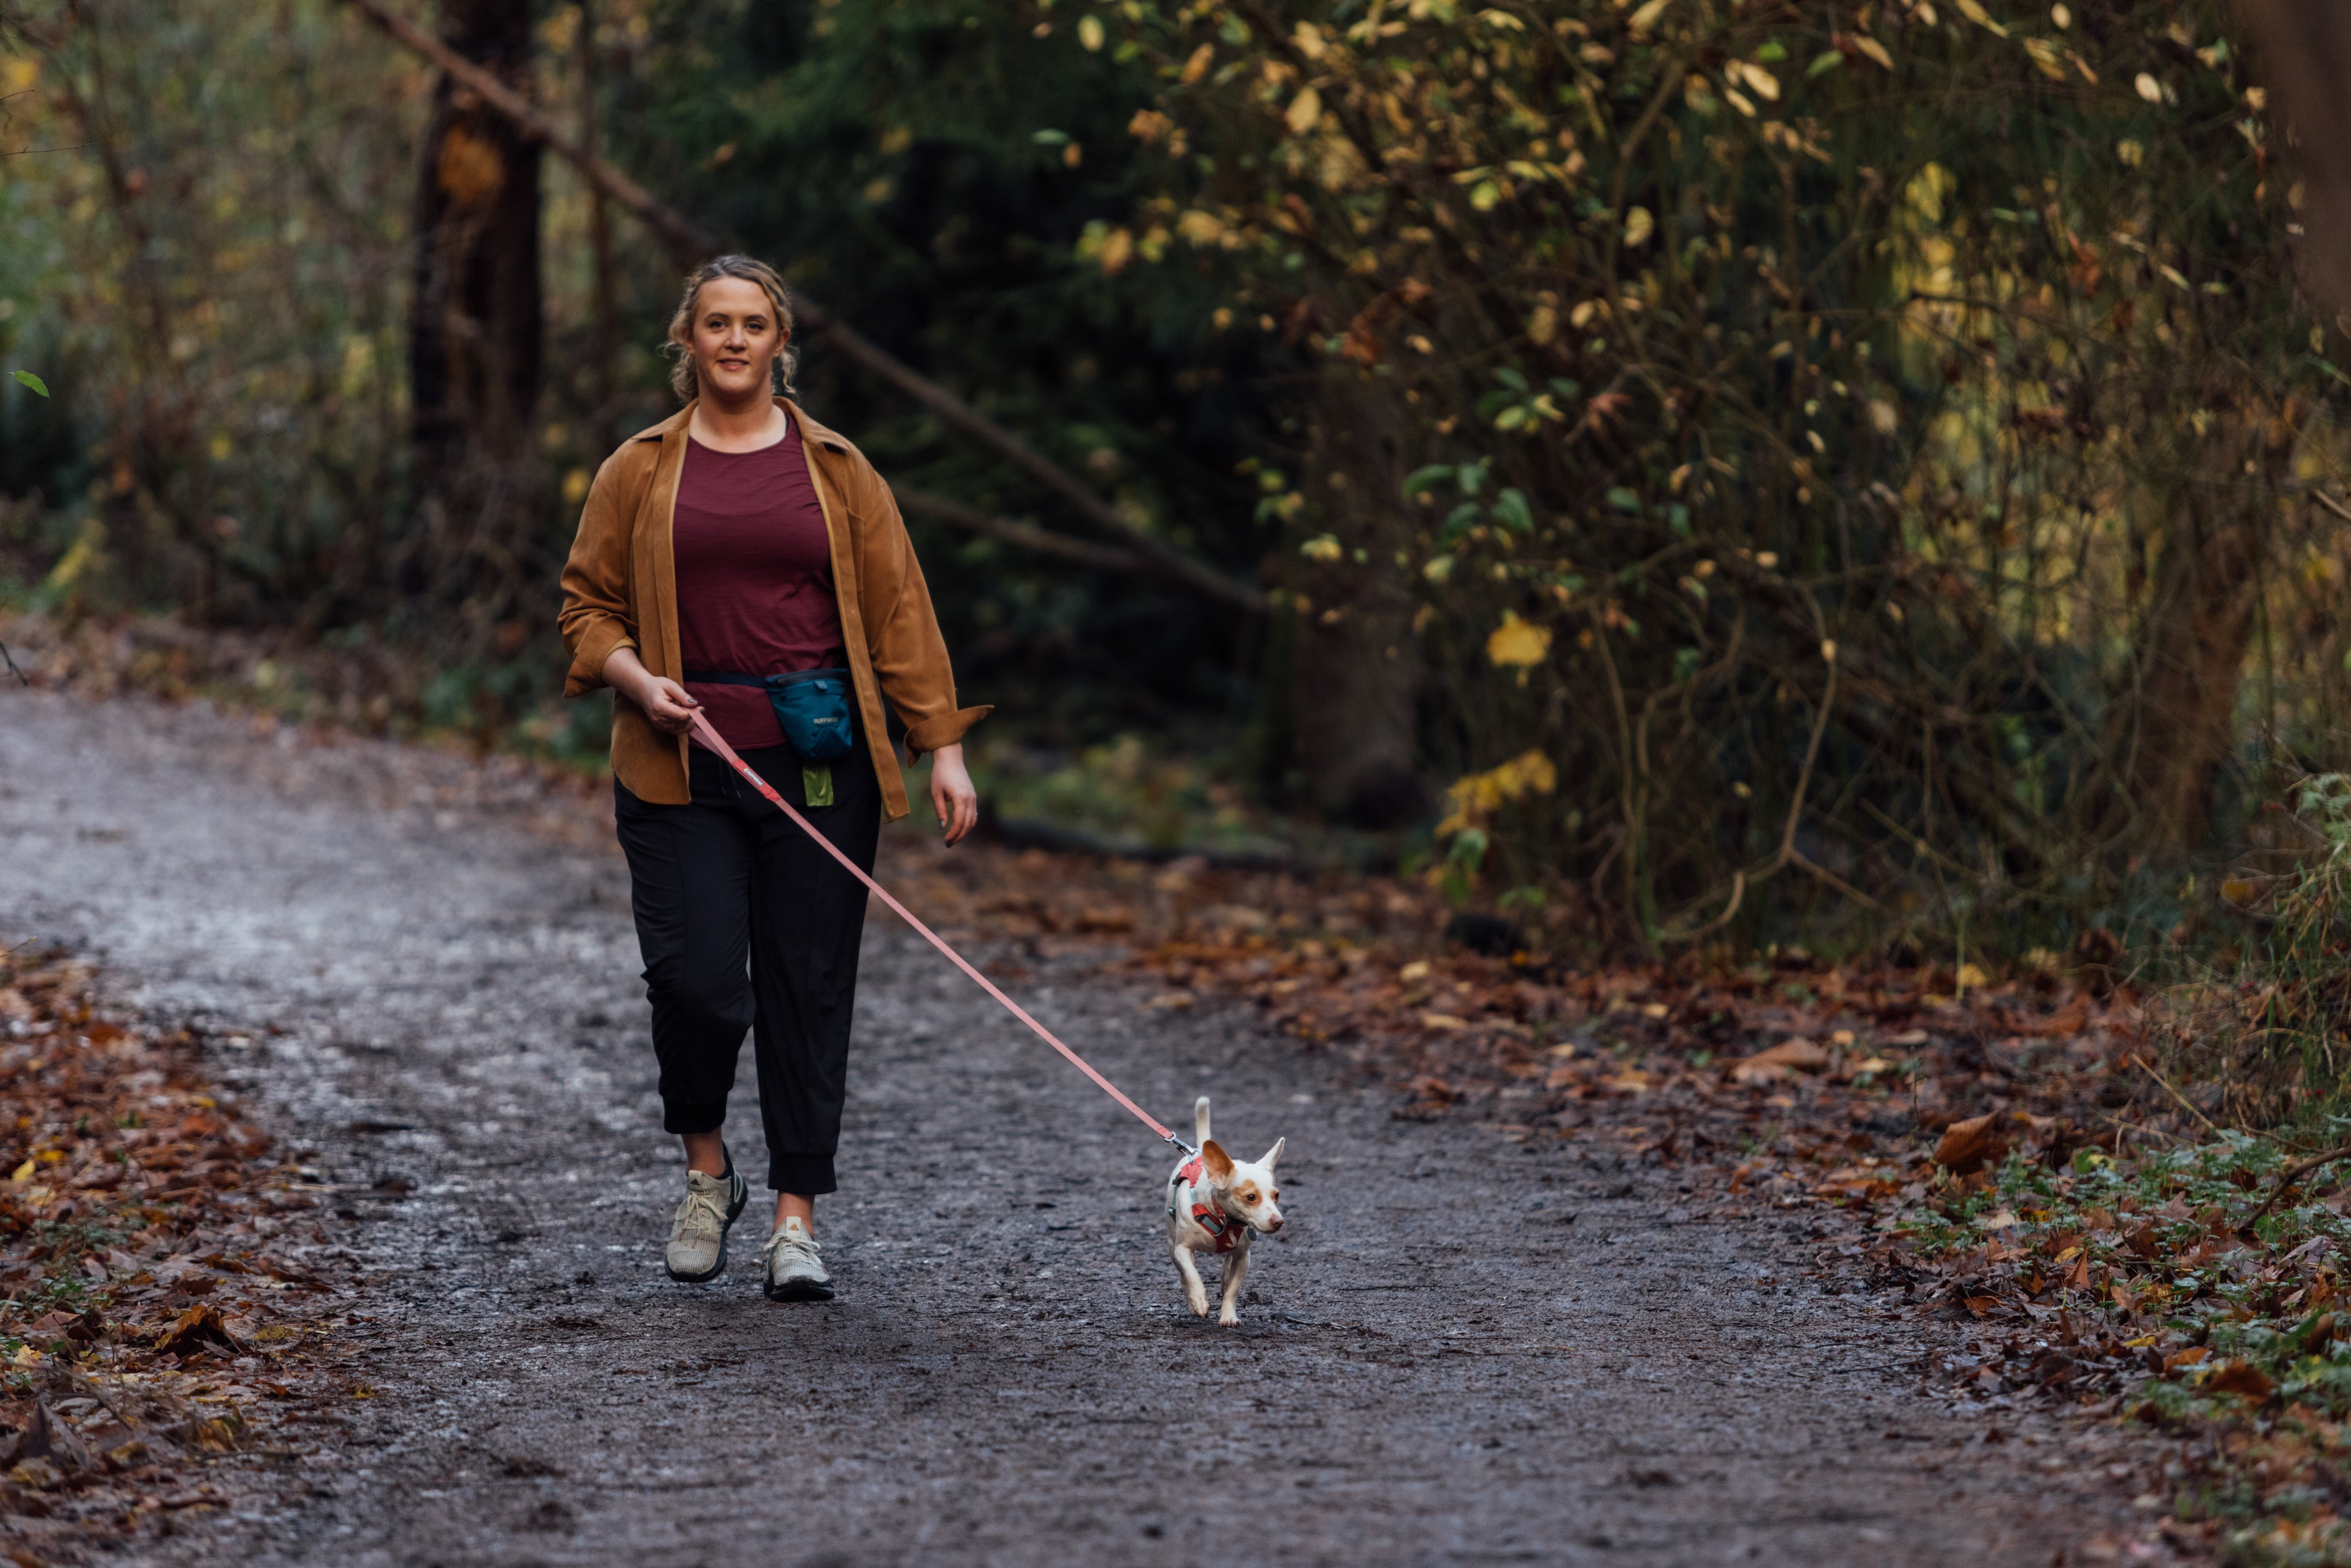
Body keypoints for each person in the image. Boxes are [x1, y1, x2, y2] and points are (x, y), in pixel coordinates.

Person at [558, 255, 985, 1301]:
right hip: (679, 761)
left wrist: (946, 746)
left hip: (820, 766)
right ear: (688, 341)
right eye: (717, 324)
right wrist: (636, 679)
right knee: (697, 983)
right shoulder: (638, 470)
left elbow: (899, 609)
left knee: (808, 987)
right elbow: (586, 608)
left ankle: (797, 1219)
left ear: (781, 341)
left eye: (755, 323)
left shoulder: (839, 470)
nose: (737, 340)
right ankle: (709, 1175)